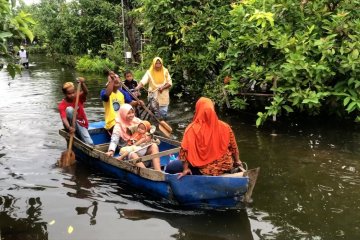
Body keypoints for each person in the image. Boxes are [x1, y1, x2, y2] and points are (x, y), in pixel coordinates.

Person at [166, 97, 243, 177]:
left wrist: (185, 169)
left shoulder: (191, 129)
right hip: (225, 166)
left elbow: (184, 151)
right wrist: (237, 161)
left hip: (205, 170)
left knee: (170, 167)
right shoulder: (225, 127)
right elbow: (234, 148)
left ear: (197, 109)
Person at [106, 104, 161, 171]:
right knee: (133, 154)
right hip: (127, 149)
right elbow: (114, 140)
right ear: (123, 114)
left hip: (139, 146)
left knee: (154, 146)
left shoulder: (136, 120)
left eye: (132, 112)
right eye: (128, 113)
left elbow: (147, 128)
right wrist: (111, 151)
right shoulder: (118, 126)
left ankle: (158, 171)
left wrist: (149, 136)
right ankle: (146, 173)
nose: (131, 115)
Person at [58, 78, 94, 145]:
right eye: (69, 93)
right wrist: (69, 128)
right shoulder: (62, 105)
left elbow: (86, 92)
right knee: (69, 109)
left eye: (73, 92)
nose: (72, 95)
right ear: (64, 94)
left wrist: (82, 84)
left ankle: (79, 135)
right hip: (70, 126)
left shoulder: (78, 97)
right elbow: (64, 118)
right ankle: (73, 133)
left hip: (81, 124)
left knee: (90, 143)